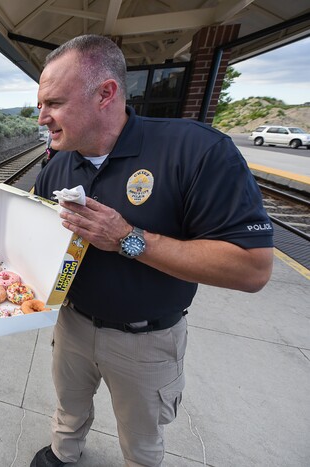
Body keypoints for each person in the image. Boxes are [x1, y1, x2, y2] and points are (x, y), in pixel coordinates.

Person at [31, 35, 274, 467]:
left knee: (141, 438)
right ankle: (62, 454)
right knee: (69, 408)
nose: (42, 117)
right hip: (71, 326)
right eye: (40, 105)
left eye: (54, 103)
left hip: (147, 340)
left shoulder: (196, 151)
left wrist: (127, 237)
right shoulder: (58, 166)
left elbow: (252, 269)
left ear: (106, 93)